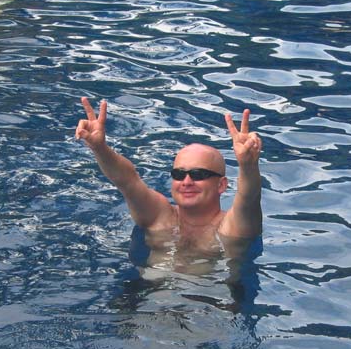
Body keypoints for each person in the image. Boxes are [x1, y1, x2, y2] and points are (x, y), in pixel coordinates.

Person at [75, 97, 262, 257]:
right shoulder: (160, 216)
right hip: (146, 296)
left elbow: (249, 198)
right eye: (179, 174)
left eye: (198, 175)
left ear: (221, 185)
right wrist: (100, 148)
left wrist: (248, 165)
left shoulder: (232, 227)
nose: (186, 182)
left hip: (212, 299)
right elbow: (127, 181)